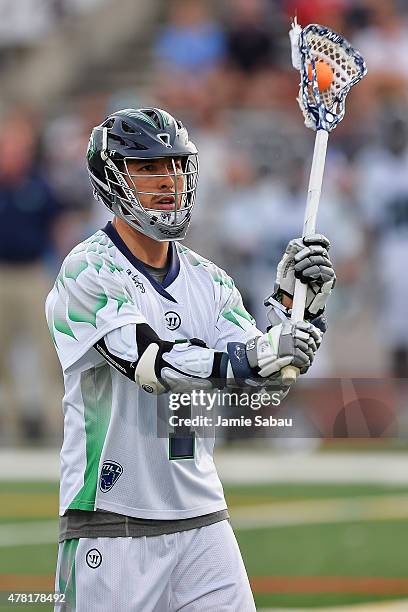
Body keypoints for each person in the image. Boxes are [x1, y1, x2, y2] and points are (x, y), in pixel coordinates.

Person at [46, 107, 335, 611]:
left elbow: (268, 381)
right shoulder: (87, 270)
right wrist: (254, 355)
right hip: (114, 523)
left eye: (176, 166)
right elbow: (152, 365)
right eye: (149, 167)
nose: (169, 181)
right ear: (111, 177)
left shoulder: (211, 280)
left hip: (203, 520)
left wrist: (297, 309)